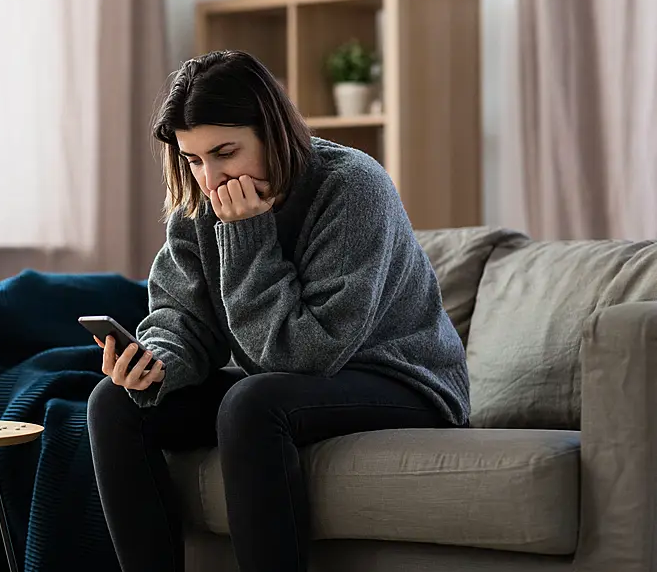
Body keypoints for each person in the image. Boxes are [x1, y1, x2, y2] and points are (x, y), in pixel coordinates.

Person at [86, 49, 470, 572]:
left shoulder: (353, 185)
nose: (211, 177)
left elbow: (308, 353)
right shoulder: (201, 202)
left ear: (272, 130)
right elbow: (182, 318)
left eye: (225, 152)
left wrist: (246, 236)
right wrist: (156, 363)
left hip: (404, 379)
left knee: (252, 402)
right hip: (288, 379)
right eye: (194, 159)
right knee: (116, 401)